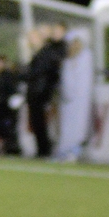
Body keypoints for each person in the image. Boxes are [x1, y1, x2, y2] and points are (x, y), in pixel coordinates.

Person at [25, 23, 66, 158]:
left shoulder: (47, 52)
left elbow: (43, 73)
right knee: (36, 122)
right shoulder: (40, 53)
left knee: (41, 122)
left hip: (41, 93)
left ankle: (45, 149)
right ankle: (41, 149)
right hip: (36, 92)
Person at [55, 29, 95, 161]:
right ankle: (64, 150)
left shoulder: (85, 57)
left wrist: (74, 94)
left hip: (79, 99)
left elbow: (83, 81)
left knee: (79, 125)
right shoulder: (68, 59)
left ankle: (74, 150)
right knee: (67, 126)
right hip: (67, 99)